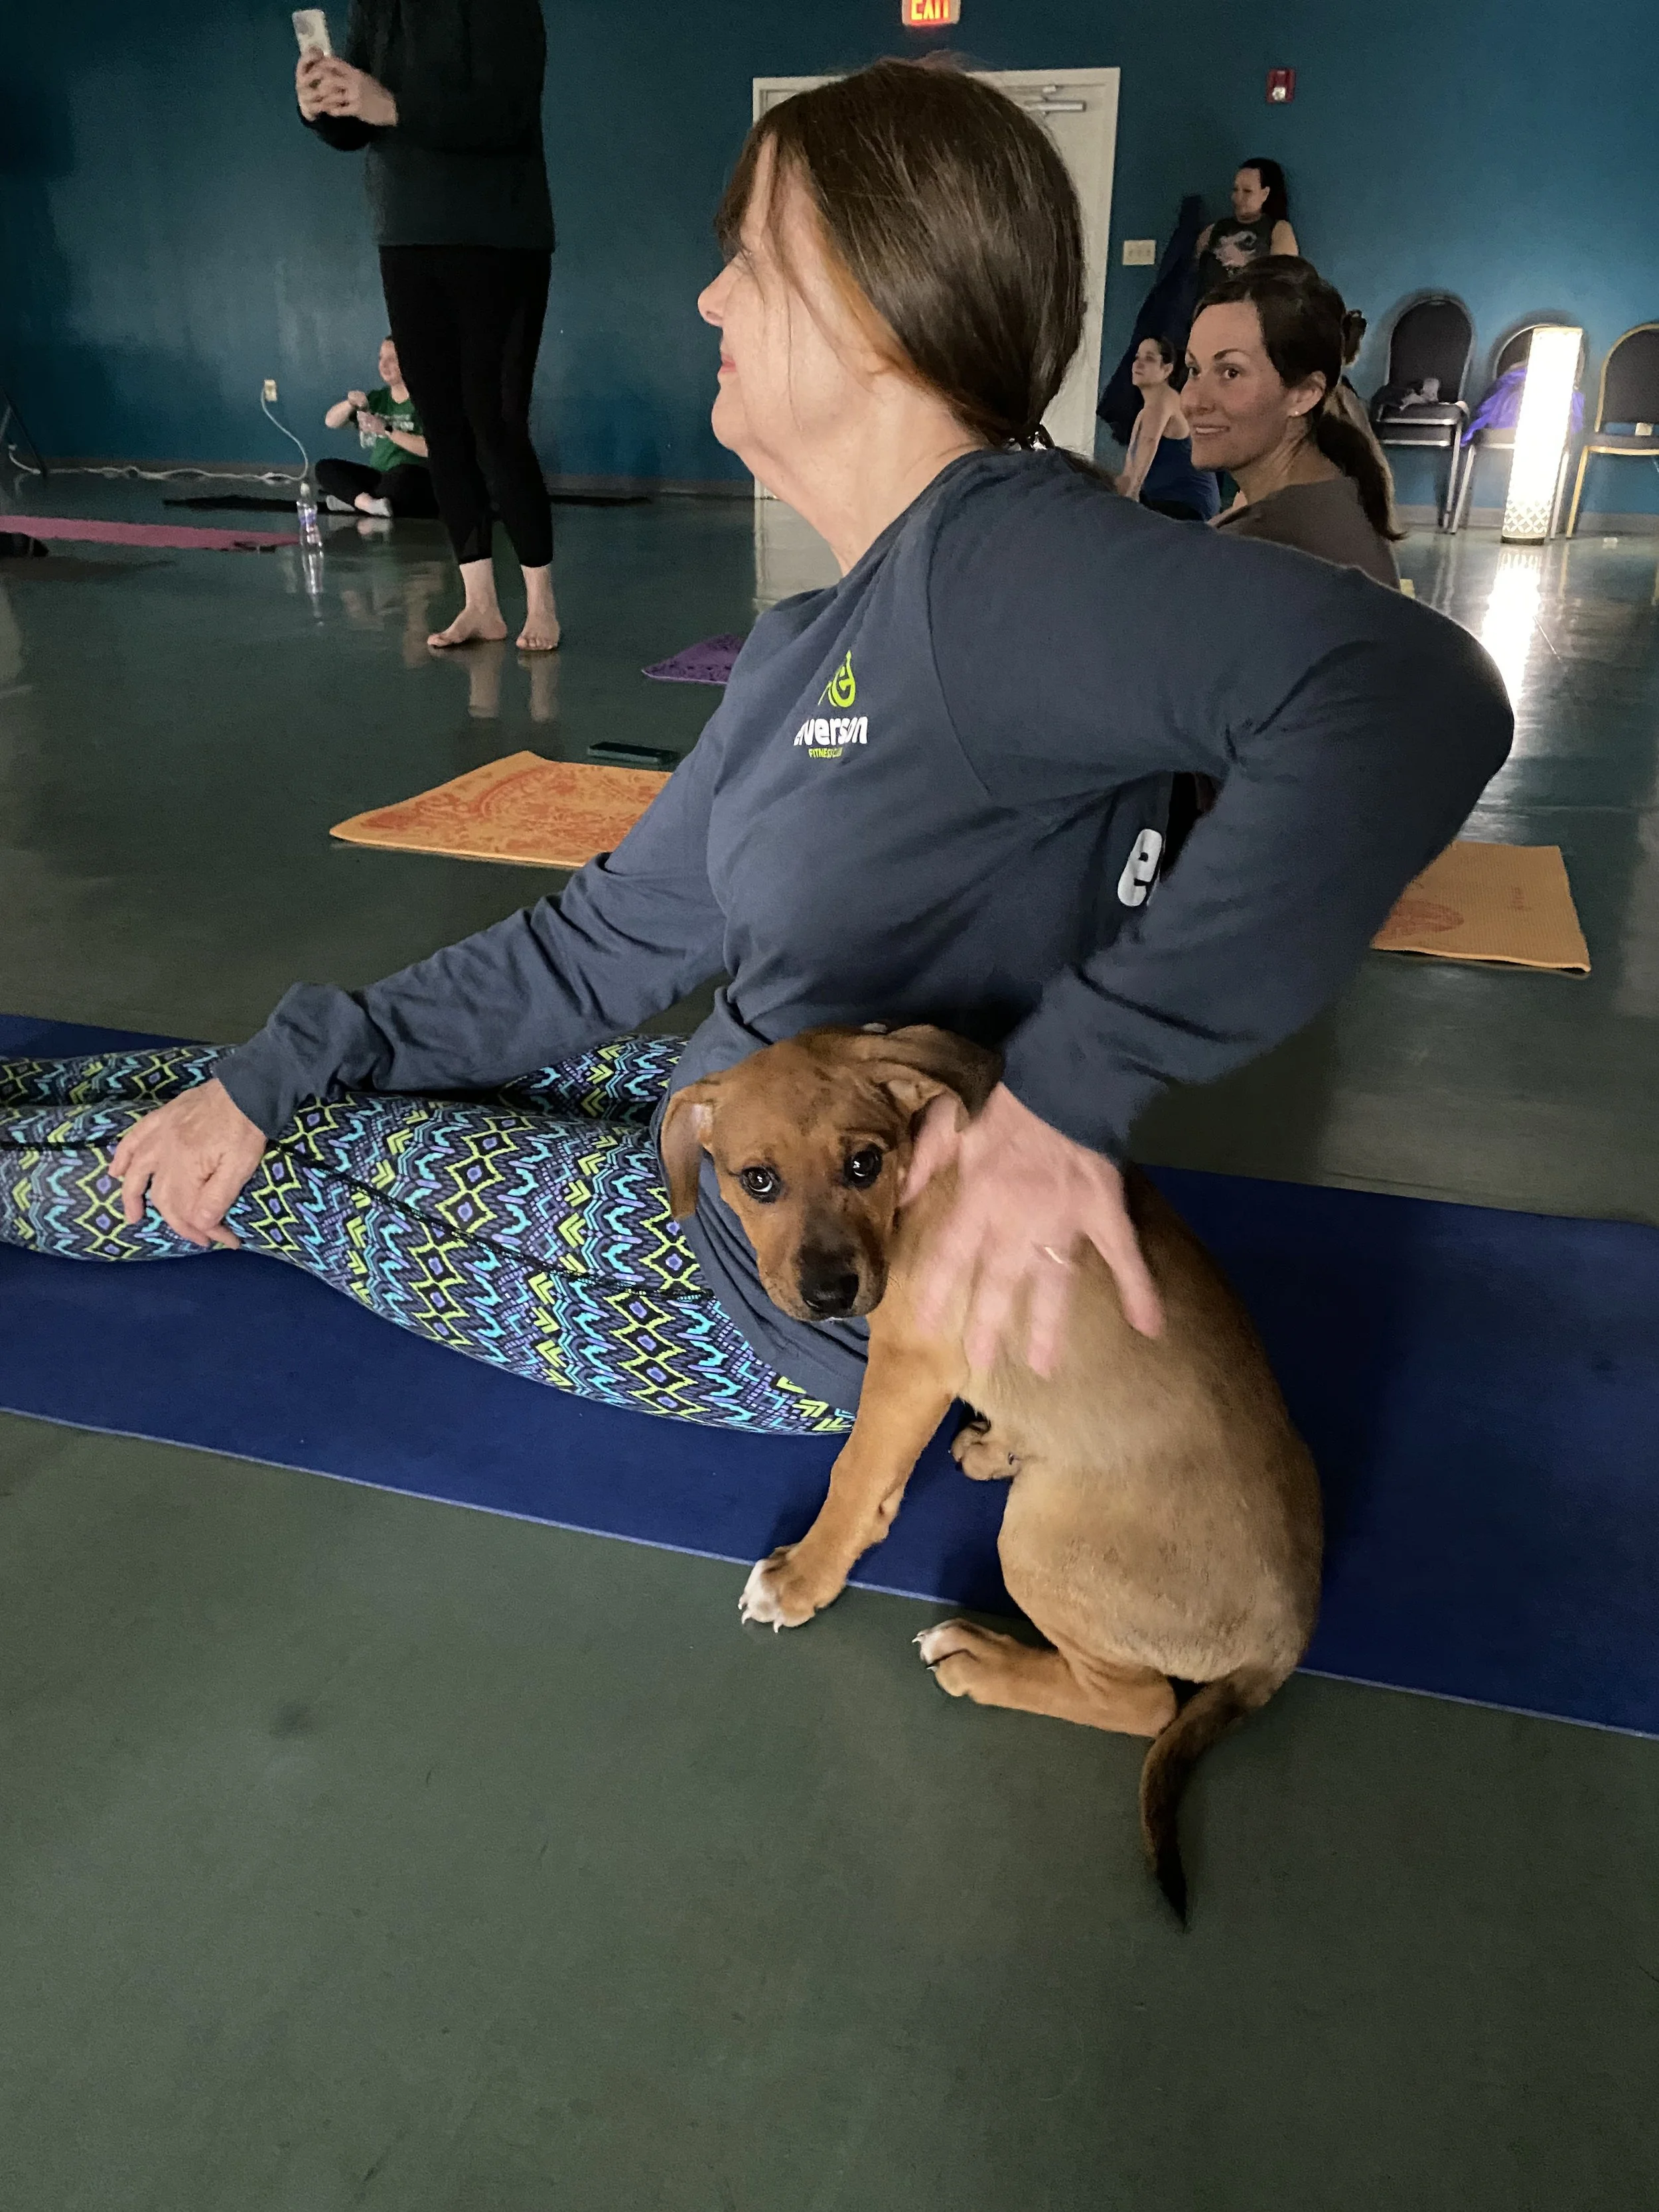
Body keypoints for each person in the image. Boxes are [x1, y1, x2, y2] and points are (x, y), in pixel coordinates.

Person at [0, 62, 1510, 1434]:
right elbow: (600, 948)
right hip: (761, 1108)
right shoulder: (815, 635)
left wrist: (1072, 1091)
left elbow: (1411, 699)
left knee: (275, 1162)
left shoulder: (1004, 568)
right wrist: (289, 1056)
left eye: (750, 264)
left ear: (872, 304)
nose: (712, 304)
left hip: (803, 1308)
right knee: (263, 1085)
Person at [295, 0, 560, 652]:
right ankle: (480, 604)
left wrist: (394, 106)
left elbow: (506, 111)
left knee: (494, 423)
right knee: (443, 427)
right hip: (406, 234)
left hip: (500, 234)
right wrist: (321, 108)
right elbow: (360, 122)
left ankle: (541, 604)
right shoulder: (375, 7)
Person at [1187, 259, 1404, 587]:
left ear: (1304, 394)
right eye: (1194, 370)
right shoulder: (1337, 489)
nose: (1192, 401)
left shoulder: (1266, 547)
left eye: (1231, 372)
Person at [316, 334, 439, 518]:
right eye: (381, 358)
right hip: (378, 475)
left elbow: (430, 449)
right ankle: (367, 504)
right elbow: (331, 421)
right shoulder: (377, 399)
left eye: (392, 359)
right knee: (325, 468)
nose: (384, 365)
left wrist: (387, 430)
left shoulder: (423, 402)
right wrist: (350, 403)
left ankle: (353, 501)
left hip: (414, 476)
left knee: (402, 480)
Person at [1114, 336, 1219, 523]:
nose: (1139, 364)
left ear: (1167, 370)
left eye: (1149, 359)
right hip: (1163, 503)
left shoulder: (1164, 399)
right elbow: (1128, 475)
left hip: (1189, 507)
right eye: (1137, 357)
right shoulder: (1143, 415)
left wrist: (1131, 498)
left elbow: (1149, 443)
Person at [1194, 159, 1298, 297]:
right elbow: (1193, 273)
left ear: (1265, 194)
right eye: (1235, 190)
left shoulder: (1279, 229)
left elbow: (1285, 281)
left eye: (1247, 191)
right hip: (1212, 310)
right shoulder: (1214, 229)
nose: (1238, 198)